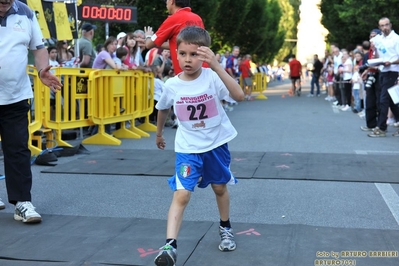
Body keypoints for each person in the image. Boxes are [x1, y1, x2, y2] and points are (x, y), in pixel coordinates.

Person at [153, 26, 244, 266]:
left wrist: (216, 65)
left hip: (215, 145)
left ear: (204, 55)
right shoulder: (172, 84)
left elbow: (239, 96)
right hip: (188, 149)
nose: (187, 60)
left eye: (194, 55)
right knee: (181, 194)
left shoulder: (212, 77)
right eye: (182, 54)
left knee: (219, 189)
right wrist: (159, 133)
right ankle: (169, 246)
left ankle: (225, 226)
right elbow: (163, 108)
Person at [0, 0, 62, 222]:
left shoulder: (25, 13)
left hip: (16, 94)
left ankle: (22, 202)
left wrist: (42, 71)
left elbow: (38, 48)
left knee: (17, 148)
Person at [144, 0, 204, 74]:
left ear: (172, 1)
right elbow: (179, 45)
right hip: (202, 70)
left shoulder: (174, 19)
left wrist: (148, 36)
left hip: (185, 73)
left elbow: (149, 44)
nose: (166, 2)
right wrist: (158, 42)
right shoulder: (198, 18)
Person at [368, 17, 399, 137]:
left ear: (390, 25)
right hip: (382, 70)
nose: (384, 27)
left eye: (386, 25)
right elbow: (373, 45)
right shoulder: (379, 39)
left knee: (383, 100)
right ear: (379, 27)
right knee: (391, 101)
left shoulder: (396, 39)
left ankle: (381, 128)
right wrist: (374, 50)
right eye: (382, 25)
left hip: (392, 70)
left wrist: (391, 62)